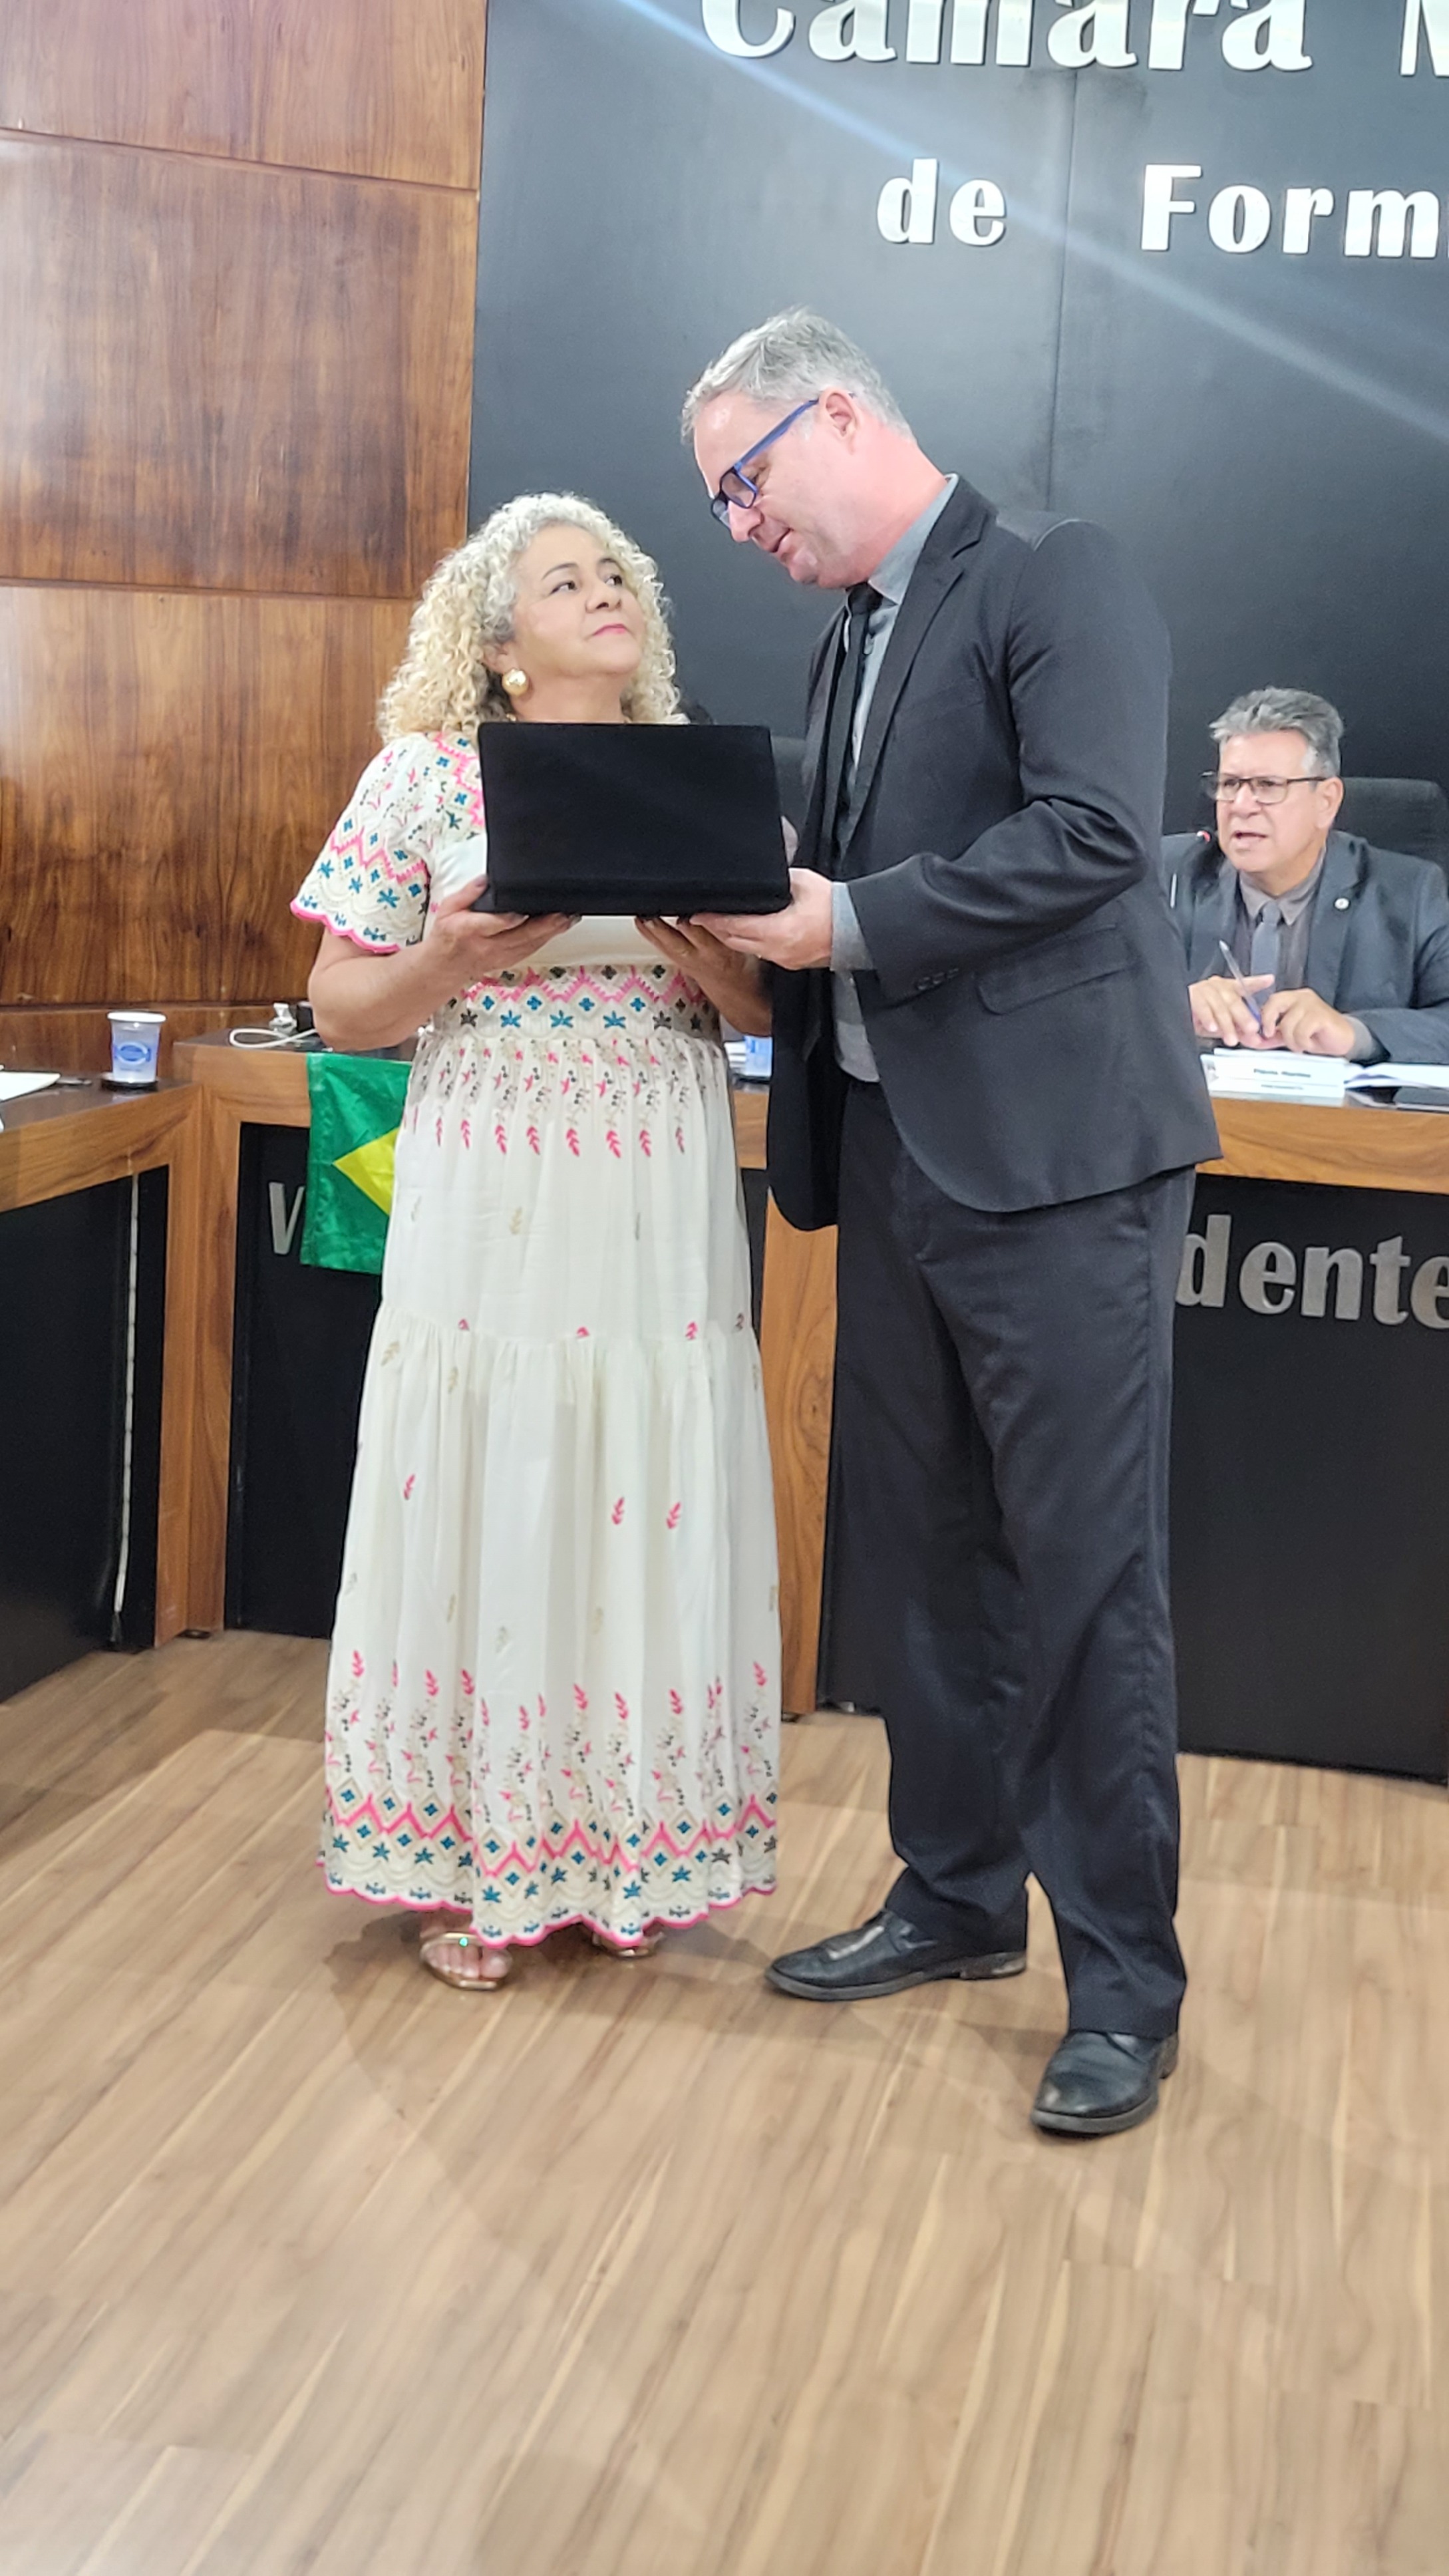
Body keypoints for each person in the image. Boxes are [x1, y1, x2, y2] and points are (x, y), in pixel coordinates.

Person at [684, 309, 1218, 2137]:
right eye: (721, 505)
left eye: (744, 483)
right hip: (895, 1157)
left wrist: (841, 922)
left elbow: (1093, 834)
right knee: (930, 1558)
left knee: (1082, 1574)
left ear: (838, 415)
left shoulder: (1052, 574)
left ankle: (1123, 1987)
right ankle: (956, 1893)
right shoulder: (848, 634)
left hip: (1057, 1168)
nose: (739, 526)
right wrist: (745, 925)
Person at [293, 495, 780, 1989]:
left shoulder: (705, 781)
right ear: (502, 645)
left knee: (646, 1471)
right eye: (565, 582)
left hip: (659, 1172)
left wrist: (722, 967)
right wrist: (444, 956)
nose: (605, 593)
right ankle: (474, 1856)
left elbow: (775, 1007)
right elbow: (339, 1006)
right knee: (496, 1470)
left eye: (616, 573)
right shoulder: (426, 776)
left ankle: (628, 1847)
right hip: (492, 1172)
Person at [1166, 687, 1449, 1062]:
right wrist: (1171, 1008)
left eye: (1268, 786)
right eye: (1230, 784)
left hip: (1341, 1102)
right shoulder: (1168, 875)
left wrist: (1356, 1034)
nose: (1241, 806)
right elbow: (1093, 1001)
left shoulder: (1409, 893)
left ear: (1326, 801)